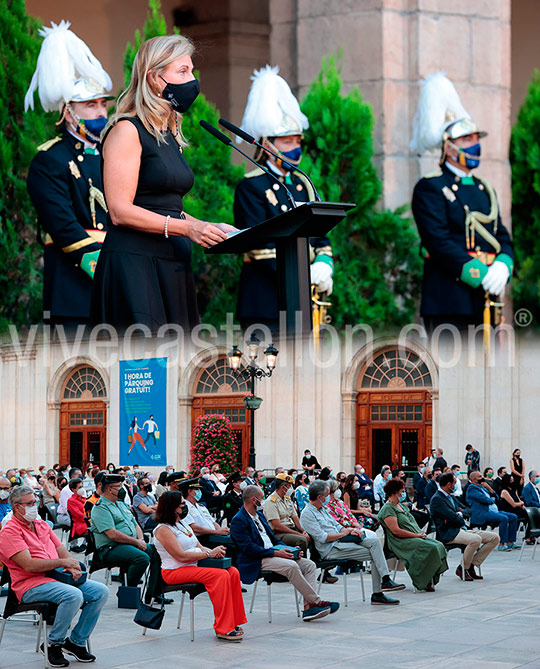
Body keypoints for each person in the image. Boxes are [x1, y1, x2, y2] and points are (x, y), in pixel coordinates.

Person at [91, 34, 234, 330]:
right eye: (182, 72)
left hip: (171, 262)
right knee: (144, 369)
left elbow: (167, 207)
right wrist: (189, 229)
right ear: (155, 79)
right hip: (136, 266)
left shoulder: (168, 135)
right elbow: (119, 210)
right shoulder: (127, 130)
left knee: (179, 367)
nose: (191, 80)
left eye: (191, 71)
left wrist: (209, 226)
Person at [25, 21, 113, 326]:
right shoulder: (50, 160)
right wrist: (107, 267)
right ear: (68, 111)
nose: (101, 112)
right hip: (73, 289)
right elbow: (62, 227)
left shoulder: (110, 155)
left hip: (117, 287)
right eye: (90, 105)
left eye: (103, 104)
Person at [410, 72, 513, 330]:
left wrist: (503, 266)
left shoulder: (484, 189)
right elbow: (438, 242)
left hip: (487, 298)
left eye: (477, 139)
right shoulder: (430, 187)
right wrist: (480, 273)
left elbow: (501, 237)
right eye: (467, 140)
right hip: (449, 300)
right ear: (448, 147)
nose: (475, 145)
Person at [234, 65, 333, 331]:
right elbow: (259, 247)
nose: (295, 148)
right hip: (266, 302)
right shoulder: (251, 186)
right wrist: (304, 274)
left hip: (305, 299)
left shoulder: (304, 184)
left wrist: (324, 263)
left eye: (297, 140)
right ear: (267, 145)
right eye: (287, 142)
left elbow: (321, 236)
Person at [0, 485, 108, 666]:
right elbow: (29, 564)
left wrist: (72, 565)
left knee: (101, 591)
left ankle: (75, 642)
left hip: (56, 576)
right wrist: (62, 563)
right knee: (73, 595)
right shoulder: (9, 532)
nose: (34, 506)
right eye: (29, 503)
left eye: (35, 502)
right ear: (17, 507)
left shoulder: (41, 524)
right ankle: (53, 643)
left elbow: (61, 550)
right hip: (29, 584)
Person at [230, 485, 339, 622]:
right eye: (261, 498)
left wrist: (290, 550)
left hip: (273, 552)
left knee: (309, 565)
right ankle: (317, 602)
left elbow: (273, 539)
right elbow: (248, 548)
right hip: (258, 558)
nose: (263, 500)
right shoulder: (239, 520)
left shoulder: (260, 516)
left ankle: (308, 608)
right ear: (253, 500)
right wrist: (275, 553)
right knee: (291, 566)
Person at [154, 491, 246, 642]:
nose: (185, 507)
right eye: (182, 504)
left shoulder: (182, 524)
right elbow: (180, 556)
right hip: (175, 570)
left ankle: (234, 621)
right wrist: (208, 555)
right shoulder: (163, 529)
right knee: (220, 575)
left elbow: (199, 546)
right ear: (172, 508)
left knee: (232, 571)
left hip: (194, 565)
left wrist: (214, 552)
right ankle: (223, 627)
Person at [300, 481, 404, 605]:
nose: (329, 497)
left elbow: (337, 526)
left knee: (375, 542)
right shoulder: (307, 514)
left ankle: (385, 581)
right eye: (328, 494)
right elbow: (323, 538)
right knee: (376, 554)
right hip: (331, 549)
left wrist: (351, 530)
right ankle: (379, 591)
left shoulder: (322, 509)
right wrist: (343, 534)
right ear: (320, 497)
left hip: (341, 541)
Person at [90, 473, 163, 604]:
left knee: (157, 552)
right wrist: (136, 542)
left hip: (131, 543)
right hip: (111, 547)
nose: (122, 489)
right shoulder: (100, 507)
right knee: (141, 557)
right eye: (118, 486)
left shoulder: (121, 504)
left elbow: (136, 525)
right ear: (109, 489)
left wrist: (140, 540)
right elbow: (112, 534)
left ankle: (153, 593)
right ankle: (129, 591)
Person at [379, 478, 448, 591]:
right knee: (430, 548)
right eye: (401, 491)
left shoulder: (402, 506)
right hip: (399, 540)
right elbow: (396, 531)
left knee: (439, 545)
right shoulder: (388, 509)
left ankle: (430, 578)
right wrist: (416, 536)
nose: (404, 493)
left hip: (414, 535)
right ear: (394, 492)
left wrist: (419, 533)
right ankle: (423, 580)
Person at [430, 472, 498, 581]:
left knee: (494, 538)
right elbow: (453, 517)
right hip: (450, 533)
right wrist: (459, 515)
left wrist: (459, 514)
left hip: (462, 529)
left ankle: (471, 565)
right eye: (455, 483)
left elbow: (467, 510)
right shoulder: (437, 499)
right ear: (448, 484)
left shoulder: (451, 497)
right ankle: (463, 568)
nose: (456, 486)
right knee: (476, 540)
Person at [466, 471, 519, 551]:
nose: (482, 478)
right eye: (480, 477)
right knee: (503, 518)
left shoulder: (483, 487)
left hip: (493, 511)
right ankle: (501, 543)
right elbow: (484, 499)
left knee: (513, 517)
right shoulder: (471, 488)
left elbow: (497, 497)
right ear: (474, 479)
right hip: (483, 512)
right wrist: (492, 500)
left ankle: (510, 542)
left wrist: (489, 488)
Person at [263, 473, 310, 552]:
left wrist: (303, 531)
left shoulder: (287, 499)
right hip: (278, 533)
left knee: (311, 535)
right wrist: (299, 534)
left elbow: (295, 518)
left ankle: (315, 560)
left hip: (291, 529)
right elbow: (277, 526)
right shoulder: (271, 501)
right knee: (302, 540)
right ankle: (301, 561)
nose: (291, 488)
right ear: (283, 487)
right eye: (289, 486)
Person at [66, 478, 89, 552]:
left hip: (86, 521)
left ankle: (85, 544)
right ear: (73, 489)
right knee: (94, 529)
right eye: (79, 487)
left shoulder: (84, 499)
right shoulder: (71, 501)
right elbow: (79, 515)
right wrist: (88, 517)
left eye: (82, 487)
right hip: (79, 524)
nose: (82, 489)